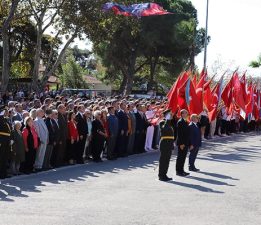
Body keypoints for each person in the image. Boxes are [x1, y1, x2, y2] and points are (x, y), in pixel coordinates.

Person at [158, 109, 174, 182]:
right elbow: (165, 129)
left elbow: (171, 135)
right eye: (169, 114)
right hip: (164, 143)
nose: (171, 115)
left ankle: (165, 174)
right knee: (163, 160)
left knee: (167, 160)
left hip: (169, 143)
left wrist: (172, 144)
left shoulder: (169, 123)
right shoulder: (162, 122)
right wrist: (167, 120)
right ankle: (161, 175)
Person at [176, 109, 190, 177]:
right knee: (180, 157)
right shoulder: (180, 122)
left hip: (185, 142)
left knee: (183, 157)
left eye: (187, 113)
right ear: (182, 114)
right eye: (185, 113)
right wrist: (181, 143)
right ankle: (178, 171)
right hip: (182, 143)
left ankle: (182, 170)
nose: (186, 114)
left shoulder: (185, 121)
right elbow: (180, 134)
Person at [0, 106, 12, 179]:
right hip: (1, 139)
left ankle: (4, 173)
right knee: (1, 157)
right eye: (6, 111)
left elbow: (9, 131)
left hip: (7, 139)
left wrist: (10, 139)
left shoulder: (6, 120)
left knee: (5, 157)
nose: (7, 112)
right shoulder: (1, 119)